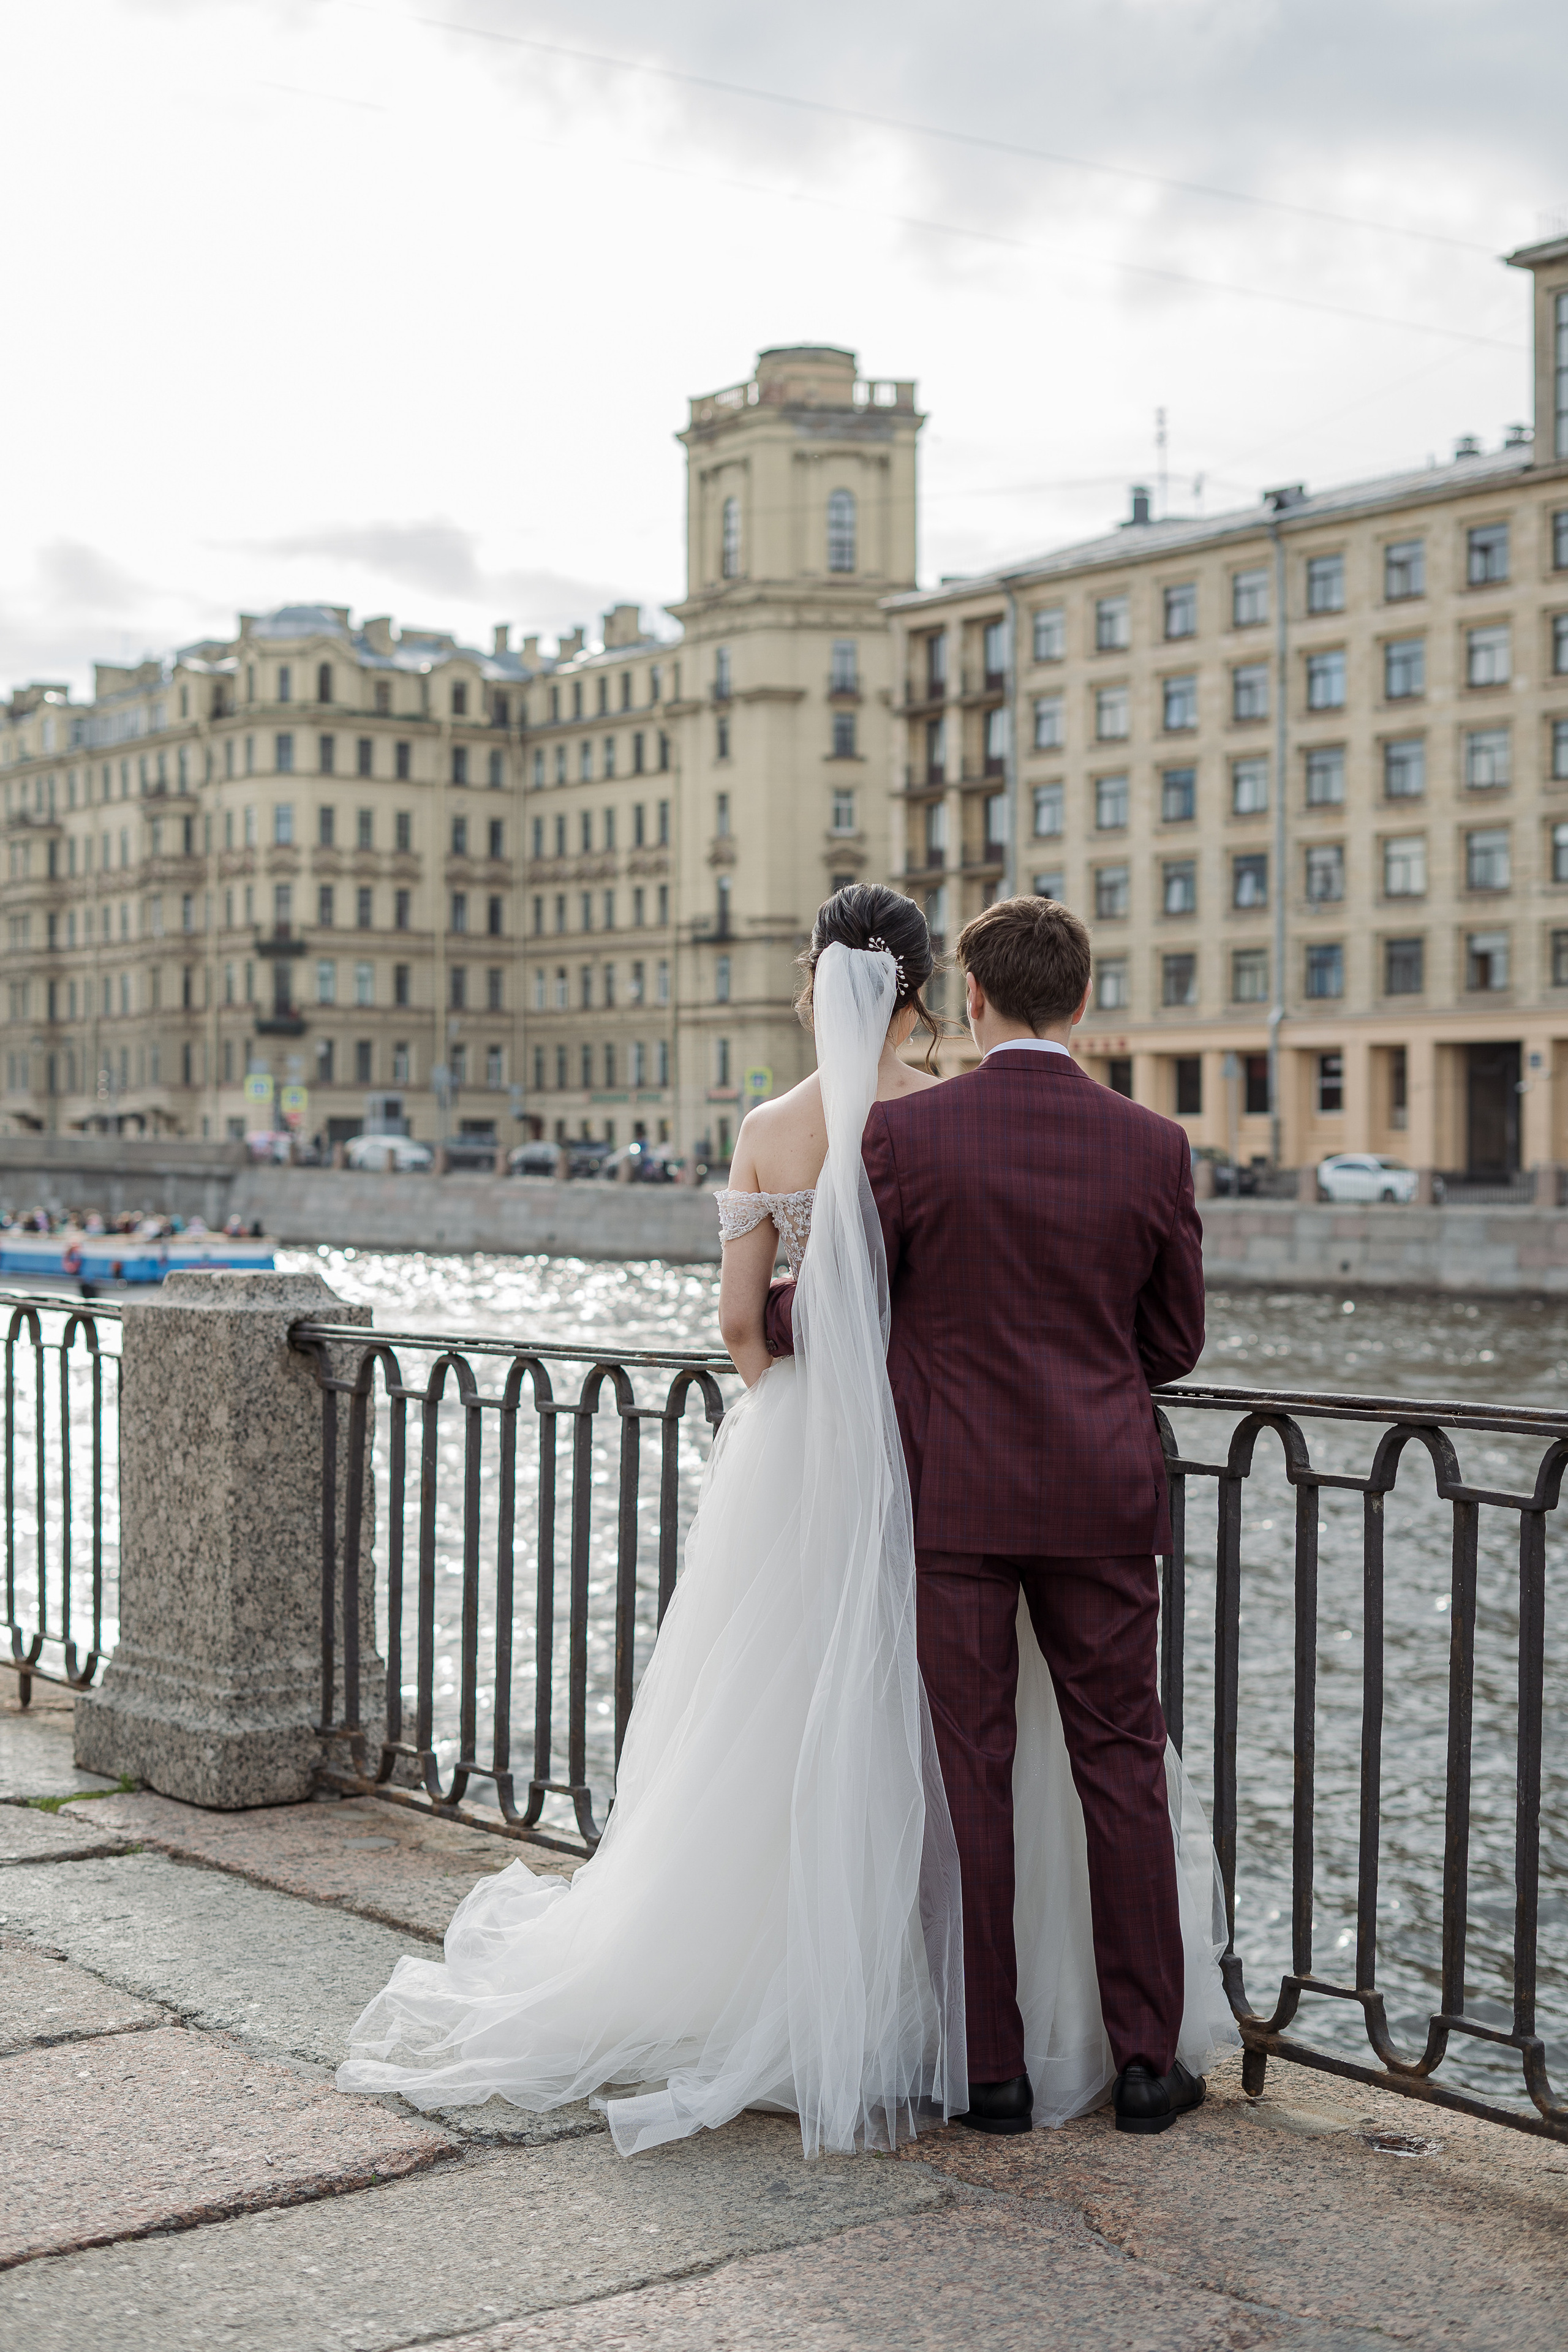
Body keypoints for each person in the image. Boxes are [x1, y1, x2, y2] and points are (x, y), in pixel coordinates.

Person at [338, 890, 968, 2156]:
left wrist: (801, 1405)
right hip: (940, 1442)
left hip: (800, 1444)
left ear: (812, 987)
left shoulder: (769, 1128)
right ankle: (943, 1990)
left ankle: (763, 1975)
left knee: (771, 1709)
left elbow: (741, 1327)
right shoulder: (953, 1117)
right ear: (918, 993)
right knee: (942, 1705)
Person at [763, 892, 1232, 2135]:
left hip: (952, 1495)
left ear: (967, 998)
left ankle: (990, 2072)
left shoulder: (910, 1141)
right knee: (1120, 1763)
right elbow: (1172, 1342)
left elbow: (839, 1312)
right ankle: (1144, 2063)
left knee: (967, 1773)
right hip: (1097, 1494)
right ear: (1080, 1003)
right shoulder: (1150, 1144)